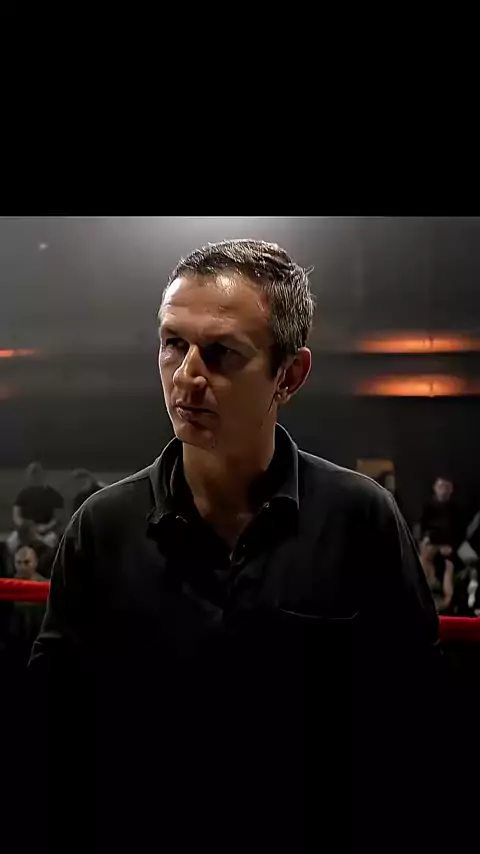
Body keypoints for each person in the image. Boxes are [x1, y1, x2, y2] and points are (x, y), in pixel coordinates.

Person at [29, 240, 442, 853]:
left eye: (221, 353)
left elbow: (414, 724)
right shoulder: (101, 528)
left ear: (289, 376)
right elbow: (53, 734)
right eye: (174, 344)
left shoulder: (361, 519)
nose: (187, 375)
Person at [9, 463, 64, 554]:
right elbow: (17, 517)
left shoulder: (54, 495)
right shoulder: (22, 495)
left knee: (51, 544)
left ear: (43, 475)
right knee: (11, 543)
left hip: (48, 532)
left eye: (37, 473)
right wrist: (27, 528)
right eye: (32, 474)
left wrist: (45, 528)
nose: (34, 477)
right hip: (26, 531)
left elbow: (57, 518)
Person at [420, 476, 465, 552]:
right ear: (435, 488)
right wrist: (424, 539)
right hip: (431, 542)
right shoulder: (427, 507)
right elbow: (421, 526)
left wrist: (452, 546)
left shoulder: (456, 509)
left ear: (451, 489)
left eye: (446, 487)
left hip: (451, 544)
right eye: (440, 486)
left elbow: (460, 531)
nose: (443, 490)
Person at [419, 533, 455, 613]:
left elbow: (448, 596)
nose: (430, 548)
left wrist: (436, 607)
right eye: (427, 544)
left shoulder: (445, 566)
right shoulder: (414, 565)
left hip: (438, 610)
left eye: (433, 545)